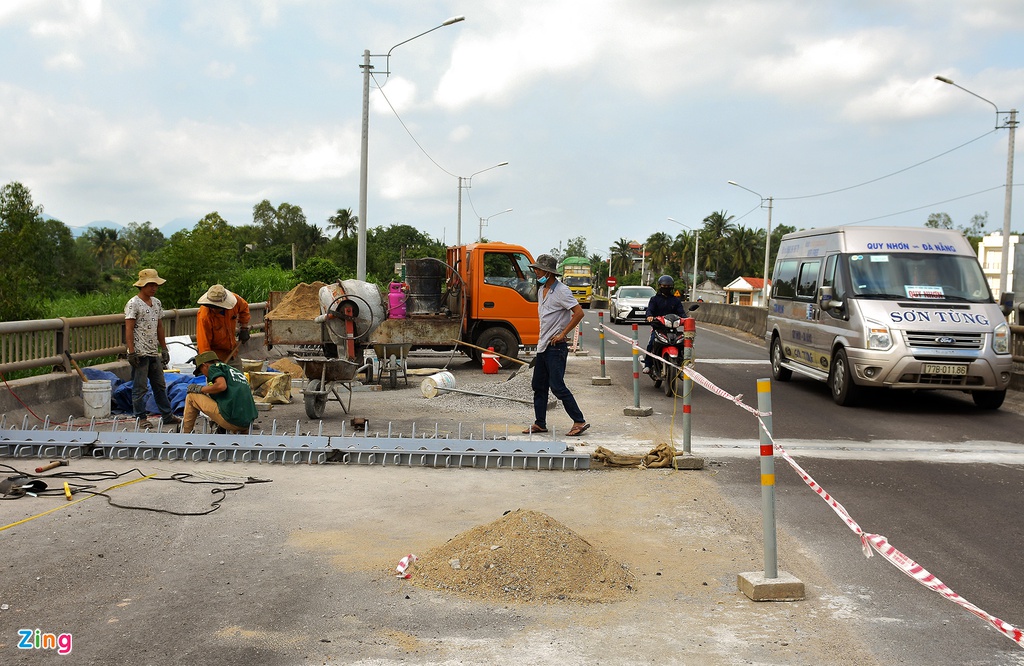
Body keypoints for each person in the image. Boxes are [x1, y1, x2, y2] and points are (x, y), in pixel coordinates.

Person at [522, 254, 590, 438]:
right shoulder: (541, 290)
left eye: (538, 269)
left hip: (556, 347)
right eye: (535, 269)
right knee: (538, 385)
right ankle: (540, 423)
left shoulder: (562, 291)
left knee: (557, 386)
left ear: (548, 272)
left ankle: (579, 421)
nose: (536, 272)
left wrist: (562, 334)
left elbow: (578, 313)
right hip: (543, 345)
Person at [124, 268, 181, 428]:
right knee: (139, 387)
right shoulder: (133, 304)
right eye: (151, 285)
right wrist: (132, 351)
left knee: (159, 385)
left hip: (152, 351)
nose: (154, 288)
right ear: (142, 286)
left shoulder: (156, 303)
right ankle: (141, 418)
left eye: (155, 285)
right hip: (140, 352)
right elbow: (129, 328)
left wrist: (164, 348)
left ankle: (167, 415)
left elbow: (159, 327)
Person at [181, 351, 258, 434]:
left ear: (204, 365)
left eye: (201, 371)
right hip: (247, 422)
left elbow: (221, 386)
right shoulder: (234, 371)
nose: (204, 375)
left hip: (232, 420)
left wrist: (200, 389)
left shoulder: (213, 368)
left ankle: (186, 434)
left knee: (191, 397)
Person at [643, 275, 688, 374]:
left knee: (683, 344)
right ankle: (648, 365)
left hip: (672, 328)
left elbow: (681, 313)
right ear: (660, 286)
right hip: (658, 328)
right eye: (664, 286)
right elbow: (650, 310)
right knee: (651, 344)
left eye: (668, 286)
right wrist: (650, 316)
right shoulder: (654, 299)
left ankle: (684, 365)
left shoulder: (675, 300)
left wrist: (686, 319)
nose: (666, 288)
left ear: (672, 287)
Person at [196, 284, 251, 364]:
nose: (214, 309)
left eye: (216, 307)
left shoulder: (235, 301)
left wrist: (244, 328)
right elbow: (204, 345)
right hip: (214, 356)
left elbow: (244, 308)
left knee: (238, 375)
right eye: (211, 306)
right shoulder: (204, 317)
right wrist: (211, 365)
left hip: (232, 353)